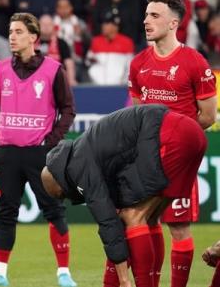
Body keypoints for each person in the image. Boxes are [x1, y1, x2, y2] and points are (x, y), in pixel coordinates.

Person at [42, 104, 208, 287]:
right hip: (193, 133)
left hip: (170, 136)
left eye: (61, 194)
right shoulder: (84, 150)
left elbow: (108, 223)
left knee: (132, 216)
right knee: (150, 218)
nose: (66, 197)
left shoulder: (78, 167)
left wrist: (124, 279)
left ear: (60, 181)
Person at [0, 12, 76, 287]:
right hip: (8, 152)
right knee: (6, 212)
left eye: (18, 31)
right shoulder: (1, 68)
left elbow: (68, 108)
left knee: (54, 210)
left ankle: (64, 274)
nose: (12, 36)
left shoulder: (53, 69)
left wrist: (52, 140)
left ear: (33, 37)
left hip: (39, 153)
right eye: (10, 31)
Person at [128, 0, 217, 287]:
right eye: (146, 15)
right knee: (144, 220)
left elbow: (208, 115)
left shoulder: (194, 62)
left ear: (173, 22)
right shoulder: (139, 62)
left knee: (178, 225)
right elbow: (136, 112)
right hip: (146, 157)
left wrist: (179, 138)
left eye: (155, 15)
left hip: (179, 160)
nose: (146, 21)